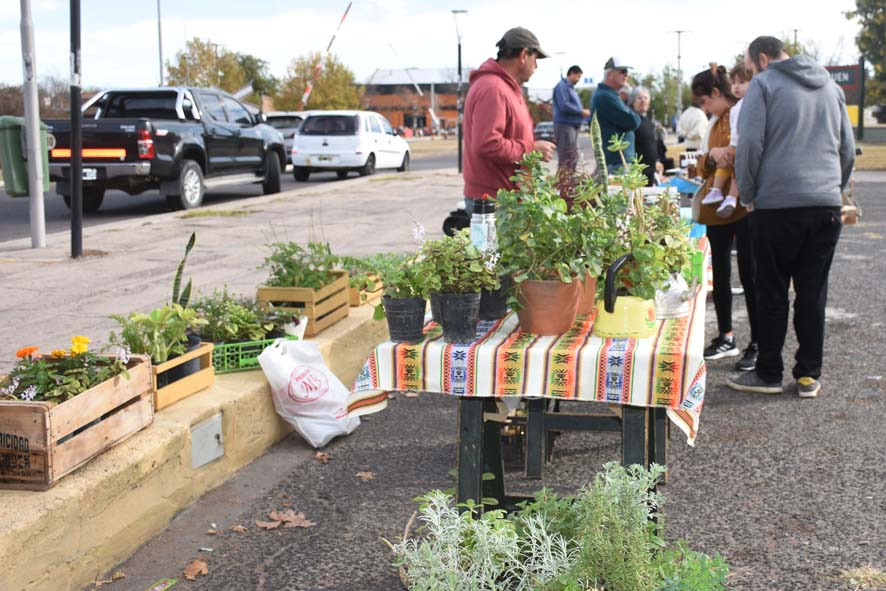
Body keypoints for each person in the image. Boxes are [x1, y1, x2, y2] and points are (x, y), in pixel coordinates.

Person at [727, 36, 855, 397]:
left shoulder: (765, 85)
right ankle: (808, 375)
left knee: (772, 290)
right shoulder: (831, 87)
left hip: (776, 206)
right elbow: (847, 150)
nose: (750, 74)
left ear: (763, 60)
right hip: (825, 205)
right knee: (813, 292)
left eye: (749, 69)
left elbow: (750, 145)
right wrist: (832, 189)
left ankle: (768, 372)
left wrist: (749, 194)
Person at [691, 64, 759, 373]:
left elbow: (746, 151)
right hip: (716, 209)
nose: (704, 109)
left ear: (717, 93)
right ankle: (726, 335)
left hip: (744, 205)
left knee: (750, 273)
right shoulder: (715, 121)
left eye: (705, 102)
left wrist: (722, 155)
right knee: (719, 272)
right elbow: (703, 166)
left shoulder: (744, 111)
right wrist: (713, 156)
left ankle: (758, 342)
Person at [462, 27, 556, 215]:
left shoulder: (506, 87)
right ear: (523, 55)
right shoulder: (493, 88)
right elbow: (487, 144)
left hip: (505, 198)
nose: (536, 66)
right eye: (535, 59)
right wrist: (532, 149)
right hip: (494, 201)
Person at [701, 63, 754, 218]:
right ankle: (716, 191)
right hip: (735, 144)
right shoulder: (735, 108)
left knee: (738, 170)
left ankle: (731, 197)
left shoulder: (753, 104)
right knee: (724, 163)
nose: (736, 87)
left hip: (744, 146)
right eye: (734, 83)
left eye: (742, 82)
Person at [591, 57, 641, 173]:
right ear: (610, 74)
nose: (626, 76)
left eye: (627, 72)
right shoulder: (605, 96)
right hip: (616, 162)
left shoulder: (610, 95)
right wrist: (631, 105)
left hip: (618, 161)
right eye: (623, 72)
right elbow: (633, 122)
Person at [552, 65, 590, 172]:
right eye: (578, 76)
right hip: (565, 125)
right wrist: (581, 111)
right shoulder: (562, 86)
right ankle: (563, 184)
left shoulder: (570, 88)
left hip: (572, 125)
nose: (579, 80)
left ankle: (569, 183)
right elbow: (564, 105)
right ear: (572, 73)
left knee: (572, 157)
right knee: (566, 157)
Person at [628, 86, 658, 187]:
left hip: (650, 171)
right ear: (632, 101)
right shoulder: (631, 121)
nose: (643, 101)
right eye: (639, 98)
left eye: (645, 98)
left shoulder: (649, 122)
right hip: (637, 171)